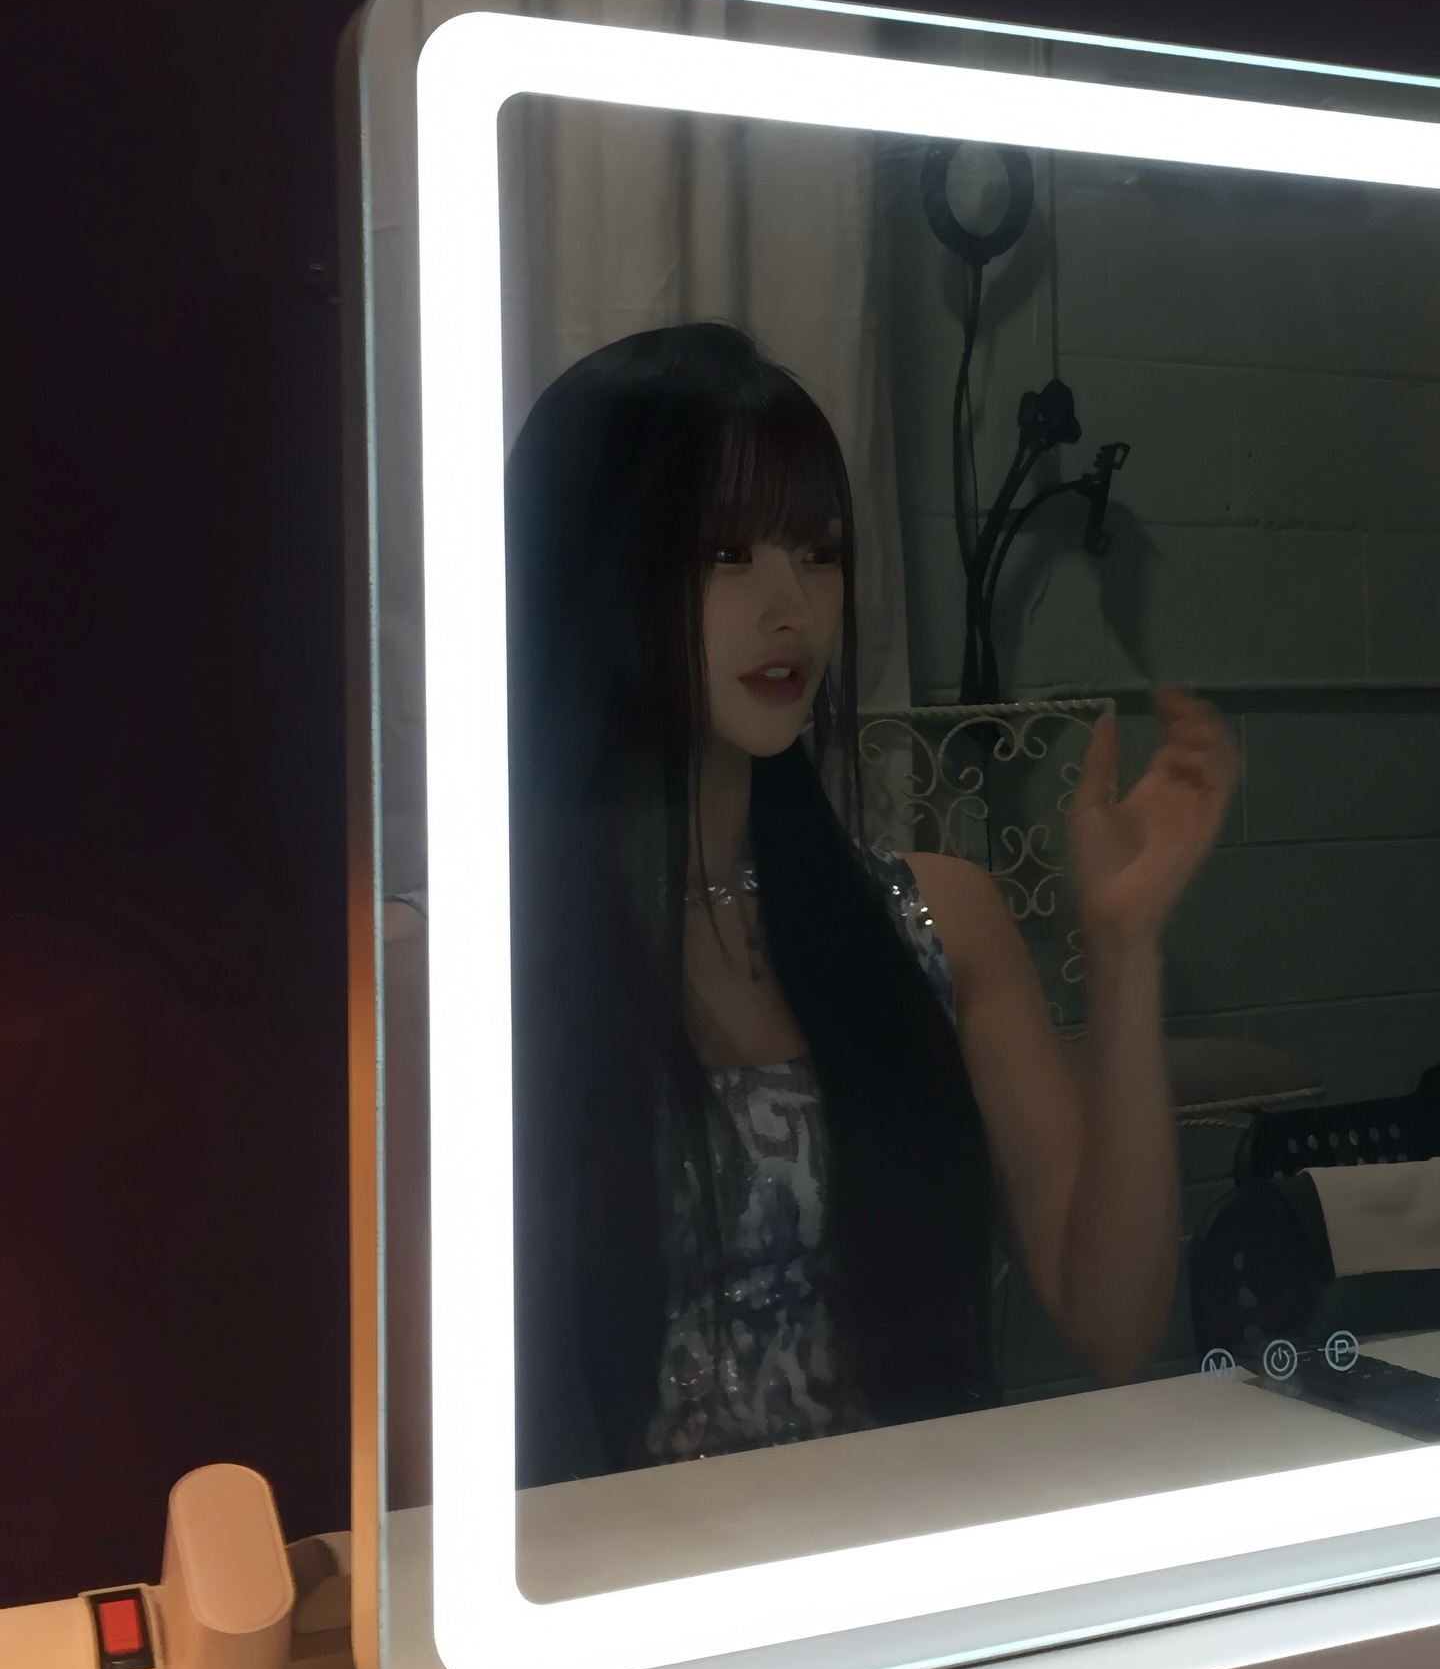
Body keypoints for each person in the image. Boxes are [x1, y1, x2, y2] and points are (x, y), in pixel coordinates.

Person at [385, 321, 1237, 1501]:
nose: (792, 605)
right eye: (725, 551)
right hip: (623, 1599)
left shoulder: (937, 919)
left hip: (911, 1561)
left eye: (820, 552)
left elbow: (1113, 1321)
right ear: (588, 570)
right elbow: (433, 1485)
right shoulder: (441, 974)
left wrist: (1126, 948)